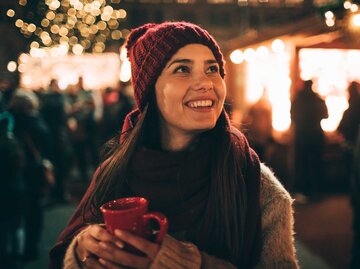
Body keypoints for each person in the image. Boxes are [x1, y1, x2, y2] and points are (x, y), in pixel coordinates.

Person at [49, 21, 299, 269]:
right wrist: (83, 251)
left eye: (212, 69)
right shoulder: (114, 172)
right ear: (149, 90)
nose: (206, 83)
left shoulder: (256, 184)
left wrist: (191, 263)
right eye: (182, 69)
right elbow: (63, 257)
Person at [291, 79, 328, 200]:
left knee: (303, 164)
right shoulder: (318, 100)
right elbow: (325, 115)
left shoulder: (297, 100)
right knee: (317, 164)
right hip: (316, 135)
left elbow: (292, 116)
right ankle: (318, 190)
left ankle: (304, 191)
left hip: (302, 136)